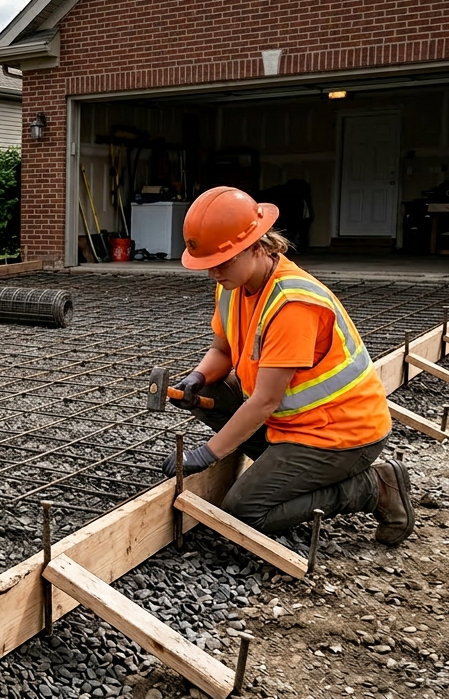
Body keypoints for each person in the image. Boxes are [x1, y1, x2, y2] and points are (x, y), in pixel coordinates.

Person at [159, 186, 415, 545]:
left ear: (258, 246)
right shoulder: (232, 284)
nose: (214, 273)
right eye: (208, 265)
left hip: (340, 434)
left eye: (223, 261)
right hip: (292, 423)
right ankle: (279, 468)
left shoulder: (293, 304)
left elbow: (264, 401)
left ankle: (376, 486)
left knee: (245, 511)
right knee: (213, 390)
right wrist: (198, 376)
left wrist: (209, 452)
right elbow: (223, 349)